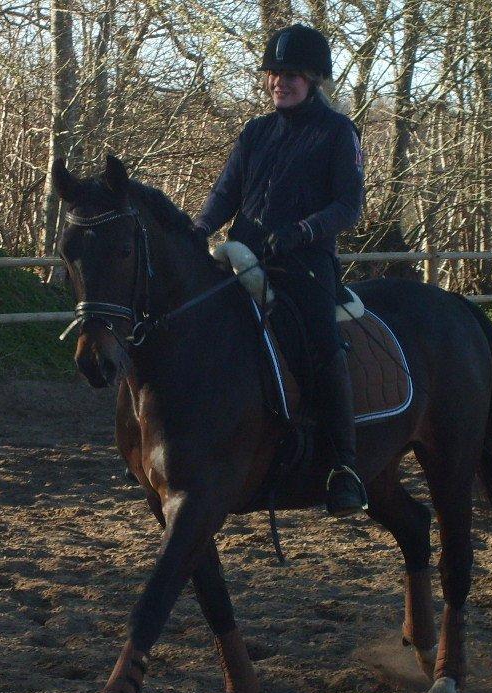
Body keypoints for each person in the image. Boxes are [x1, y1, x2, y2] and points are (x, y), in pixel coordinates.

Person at [192, 23, 368, 516]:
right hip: (243, 255)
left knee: (319, 340)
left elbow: (348, 206)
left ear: (313, 79)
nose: (279, 83)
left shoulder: (337, 132)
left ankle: (344, 465)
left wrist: (302, 232)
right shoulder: (256, 132)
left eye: (290, 74)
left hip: (305, 265)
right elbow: (226, 193)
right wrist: (198, 229)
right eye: (273, 74)